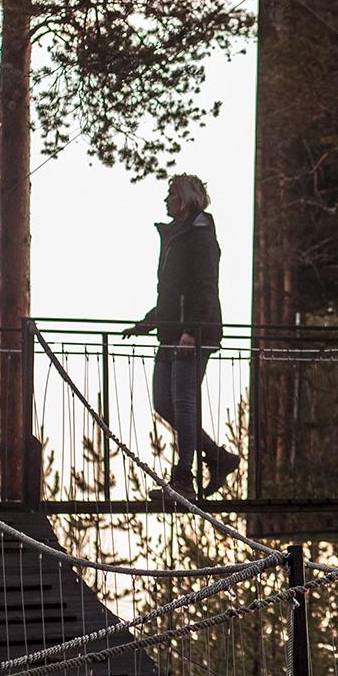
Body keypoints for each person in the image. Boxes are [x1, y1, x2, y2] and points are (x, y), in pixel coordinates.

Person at [123, 174, 238, 500]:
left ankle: (183, 480)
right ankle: (217, 457)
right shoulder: (177, 235)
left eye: (171, 193)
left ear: (186, 199)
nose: (166, 200)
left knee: (183, 402)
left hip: (192, 333)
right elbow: (171, 291)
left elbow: (204, 288)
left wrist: (192, 332)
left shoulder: (200, 236)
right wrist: (149, 322)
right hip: (172, 330)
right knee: (164, 401)